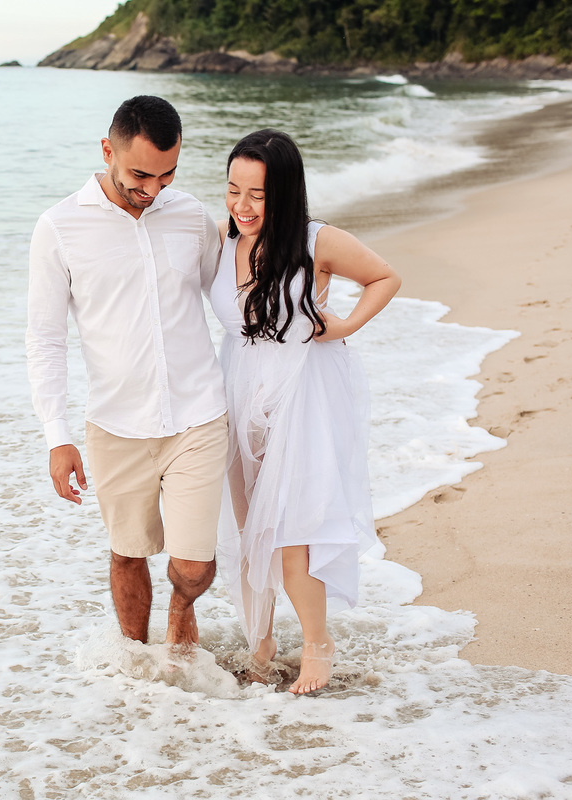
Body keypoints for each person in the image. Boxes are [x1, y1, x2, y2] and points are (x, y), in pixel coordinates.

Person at [26, 96, 229, 654]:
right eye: (141, 173)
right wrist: (56, 435)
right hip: (116, 425)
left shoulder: (190, 215)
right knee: (128, 551)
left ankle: (182, 611)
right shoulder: (60, 227)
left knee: (193, 565)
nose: (153, 189)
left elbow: (230, 297)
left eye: (167, 174)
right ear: (107, 150)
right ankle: (138, 670)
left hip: (198, 416)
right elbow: (45, 338)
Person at [210, 129, 401, 694]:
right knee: (250, 532)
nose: (242, 206)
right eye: (232, 190)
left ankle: (319, 647)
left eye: (257, 195)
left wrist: (341, 325)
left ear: (285, 194)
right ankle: (262, 640)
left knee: (291, 532)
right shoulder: (223, 240)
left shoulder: (316, 241)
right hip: (238, 392)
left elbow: (385, 277)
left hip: (299, 395)